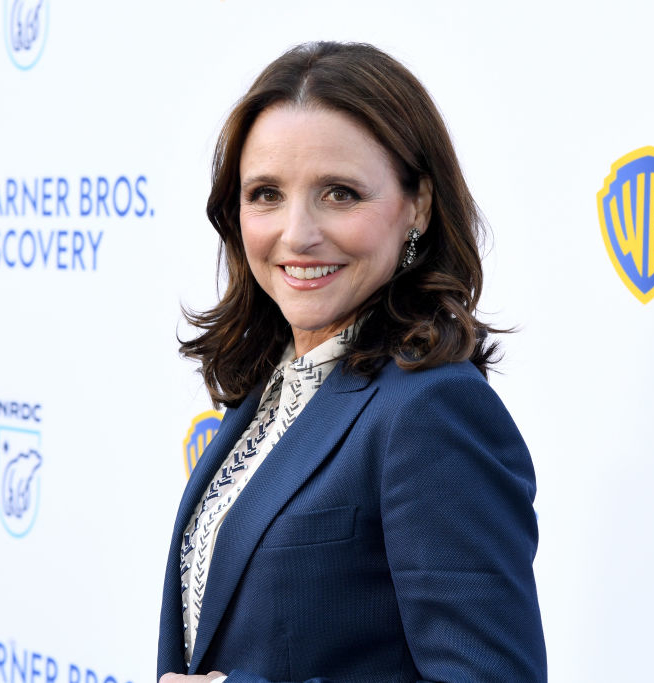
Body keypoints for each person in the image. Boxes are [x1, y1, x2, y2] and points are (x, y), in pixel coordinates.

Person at [157, 41, 546, 683]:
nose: (297, 233)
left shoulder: (433, 411)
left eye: (339, 193)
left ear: (417, 204)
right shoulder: (274, 386)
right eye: (266, 194)